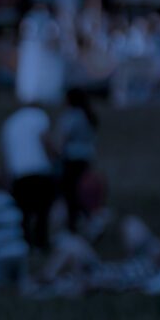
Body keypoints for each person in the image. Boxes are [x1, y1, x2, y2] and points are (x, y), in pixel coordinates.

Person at [1, 102, 56, 250]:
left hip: (20, 174)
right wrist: (55, 158)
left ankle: (25, 244)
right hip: (40, 171)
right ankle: (41, 242)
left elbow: (7, 155)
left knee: (23, 213)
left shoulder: (10, 123)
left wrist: (8, 178)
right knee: (42, 212)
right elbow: (45, 140)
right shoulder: (39, 116)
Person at [54, 88, 98, 231]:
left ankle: (76, 223)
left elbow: (63, 138)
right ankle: (85, 220)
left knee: (70, 193)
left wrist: (56, 153)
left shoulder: (70, 116)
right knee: (78, 191)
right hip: (85, 158)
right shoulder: (86, 116)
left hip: (71, 159)